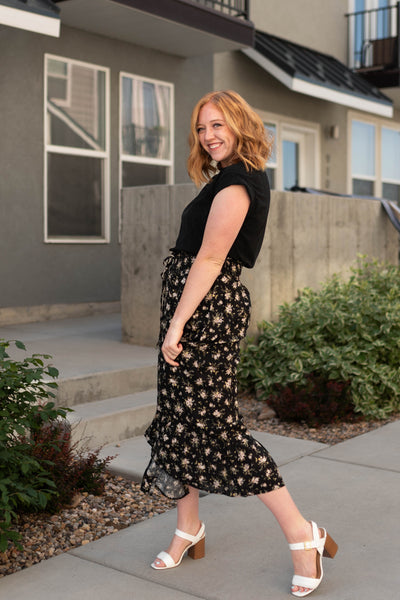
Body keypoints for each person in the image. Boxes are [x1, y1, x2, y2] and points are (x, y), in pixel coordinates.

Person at [141, 90, 337, 597]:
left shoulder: (238, 183)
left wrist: (177, 323)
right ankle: (189, 529)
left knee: (216, 429)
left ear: (240, 124)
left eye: (217, 124)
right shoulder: (226, 178)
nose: (208, 135)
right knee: (178, 421)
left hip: (204, 314)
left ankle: (303, 534)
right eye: (202, 128)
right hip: (195, 310)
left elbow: (208, 260)